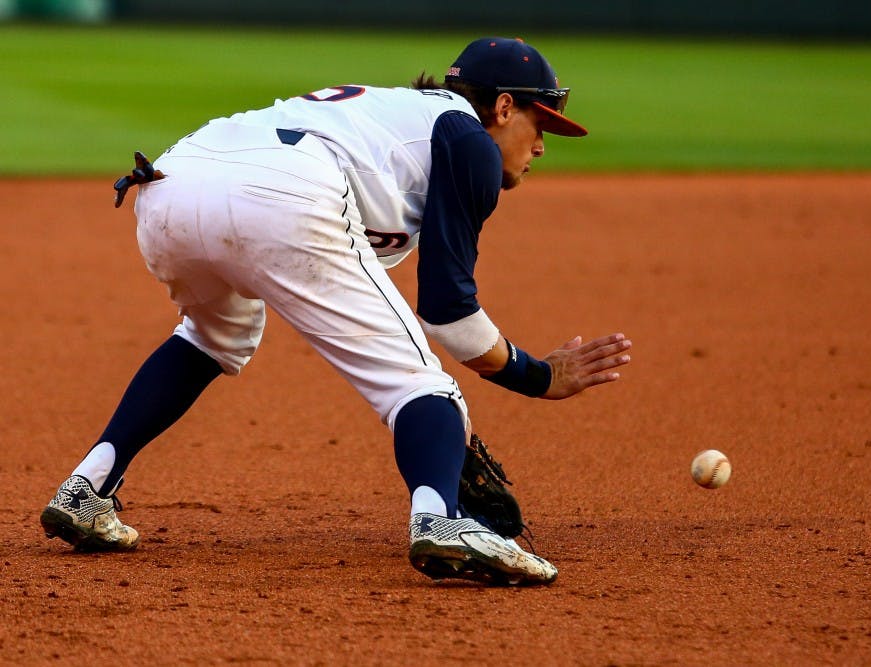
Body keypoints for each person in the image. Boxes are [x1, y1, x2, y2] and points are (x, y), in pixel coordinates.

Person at [40, 37, 632, 586]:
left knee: (213, 334)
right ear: (503, 107)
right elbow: (449, 314)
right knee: (419, 384)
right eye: (539, 123)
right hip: (281, 188)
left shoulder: (388, 118)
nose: (541, 146)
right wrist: (537, 376)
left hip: (170, 184)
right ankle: (440, 520)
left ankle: (87, 488)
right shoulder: (469, 140)